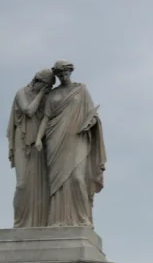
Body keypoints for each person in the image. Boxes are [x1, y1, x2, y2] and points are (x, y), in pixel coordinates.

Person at [35, 60, 106, 227]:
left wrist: (90, 123)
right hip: (55, 138)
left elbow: (92, 115)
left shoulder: (81, 91)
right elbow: (46, 118)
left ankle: (83, 219)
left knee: (77, 178)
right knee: (57, 182)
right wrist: (39, 138)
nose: (63, 77)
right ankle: (58, 220)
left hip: (78, 138)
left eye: (65, 73)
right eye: (60, 75)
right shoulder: (52, 95)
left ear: (70, 72)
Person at [8, 69, 55, 227]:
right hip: (22, 141)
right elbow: (28, 111)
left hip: (38, 143)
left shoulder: (47, 98)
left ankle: (37, 223)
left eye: (49, 86)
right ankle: (19, 222)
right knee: (22, 184)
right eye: (45, 85)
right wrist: (41, 94)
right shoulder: (21, 93)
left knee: (38, 186)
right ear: (37, 80)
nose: (46, 88)